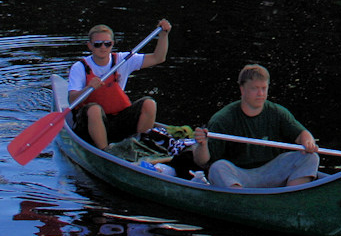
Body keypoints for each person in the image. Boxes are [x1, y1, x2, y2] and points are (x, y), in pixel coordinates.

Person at [191, 64, 327, 188]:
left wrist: (308, 142)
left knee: (310, 157)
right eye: (255, 89)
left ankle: (290, 197)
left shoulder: (277, 112)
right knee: (217, 168)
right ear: (242, 89)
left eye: (264, 88)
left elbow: (301, 134)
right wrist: (202, 144)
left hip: (271, 172)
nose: (261, 94)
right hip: (240, 176)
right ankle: (242, 201)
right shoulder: (223, 119)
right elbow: (202, 161)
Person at [67, 19, 172, 150]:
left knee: (149, 103)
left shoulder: (123, 60)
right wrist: (89, 88)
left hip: (117, 120)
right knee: (94, 109)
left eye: (107, 44)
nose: (103, 48)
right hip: (89, 124)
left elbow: (158, 58)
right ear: (90, 46)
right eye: (98, 44)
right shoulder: (80, 67)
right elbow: (72, 100)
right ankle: (106, 152)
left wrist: (163, 35)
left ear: (112, 44)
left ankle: (140, 146)